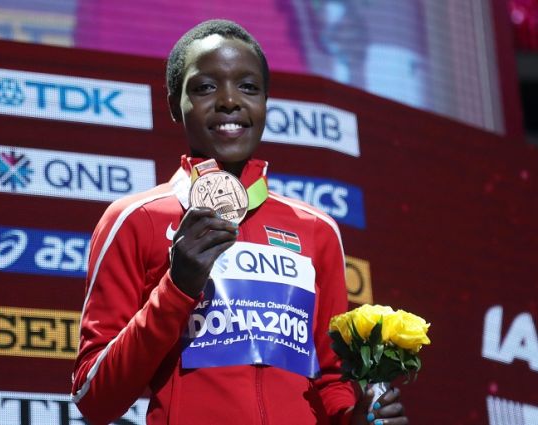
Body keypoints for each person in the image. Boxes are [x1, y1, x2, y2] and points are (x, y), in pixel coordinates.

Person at [71, 19, 409, 425]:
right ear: (173, 105)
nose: (229, 101)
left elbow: (330, 380)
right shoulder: (135, 219)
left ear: (266, 103)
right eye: (205, 87)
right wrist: (176, 288)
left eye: (248, 87)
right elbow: (94, 398)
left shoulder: (317, 229)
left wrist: (356, 418)